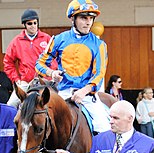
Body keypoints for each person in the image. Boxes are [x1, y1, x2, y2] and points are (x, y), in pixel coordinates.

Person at [35, 0, 110, 134]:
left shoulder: (99, 45)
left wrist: (84, 91)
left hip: (87, 96)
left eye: (91, 18)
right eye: (83, 18)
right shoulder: (58, 39)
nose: (88, 22)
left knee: (105, 129)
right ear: (72, 18)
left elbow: (99, 74)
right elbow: (39, 64)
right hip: (63, 93)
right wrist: (52, 73)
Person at [3, 9, 56, 108]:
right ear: (24, 25)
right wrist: (16, 79)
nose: (33, 26)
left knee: (61, 103)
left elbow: (54, 59)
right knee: (10, 105)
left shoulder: (47, 38)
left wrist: (50, 74)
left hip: (46, 81)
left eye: (35, 23)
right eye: (29, 23)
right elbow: (8, 62)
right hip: (26, 82)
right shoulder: (16, 41)